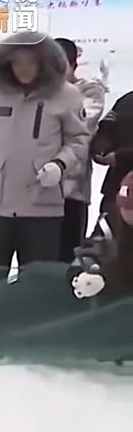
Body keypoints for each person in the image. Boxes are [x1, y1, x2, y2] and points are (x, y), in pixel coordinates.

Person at [0, 32, 89, 272]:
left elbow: (79, 141)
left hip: (43, 205)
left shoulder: (67, 94)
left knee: (37, 280)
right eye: (17, 62)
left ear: (44, 62)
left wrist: (60, 165)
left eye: (31, 62)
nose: (24, 69)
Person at [55, 37, 107, 262]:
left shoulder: (90, 91)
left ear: (73, 65)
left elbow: (80, 126)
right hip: (37, 192)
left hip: (72, 189)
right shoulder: (36, 93)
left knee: (68, 256)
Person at [69, 172, 132, 301]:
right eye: (125, 208)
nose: (128, 215)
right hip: (119, 298)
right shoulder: (108, 223)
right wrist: (86, 275)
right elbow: (89, 253)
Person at [92, 92, 133, 214]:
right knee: (107, 222)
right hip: (117, 186)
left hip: (121, 176)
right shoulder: (126, 100)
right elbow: (107, 125)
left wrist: (120, 157)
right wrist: (101, 146)